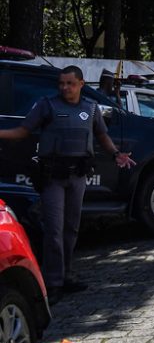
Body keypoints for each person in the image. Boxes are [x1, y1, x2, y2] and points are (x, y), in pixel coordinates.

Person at [0, 65, 135, 303]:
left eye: (70, 83)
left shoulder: (91, 108)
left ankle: (67, 275)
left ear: (81, 84)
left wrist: (116, 154)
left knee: (71, 228)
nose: (64, 88)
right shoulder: (47, 105)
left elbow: (102, 136)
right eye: (61, 83)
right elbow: (22, 131)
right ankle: (52, 283)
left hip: (78, 176)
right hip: (53, 176)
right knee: (53, 230)